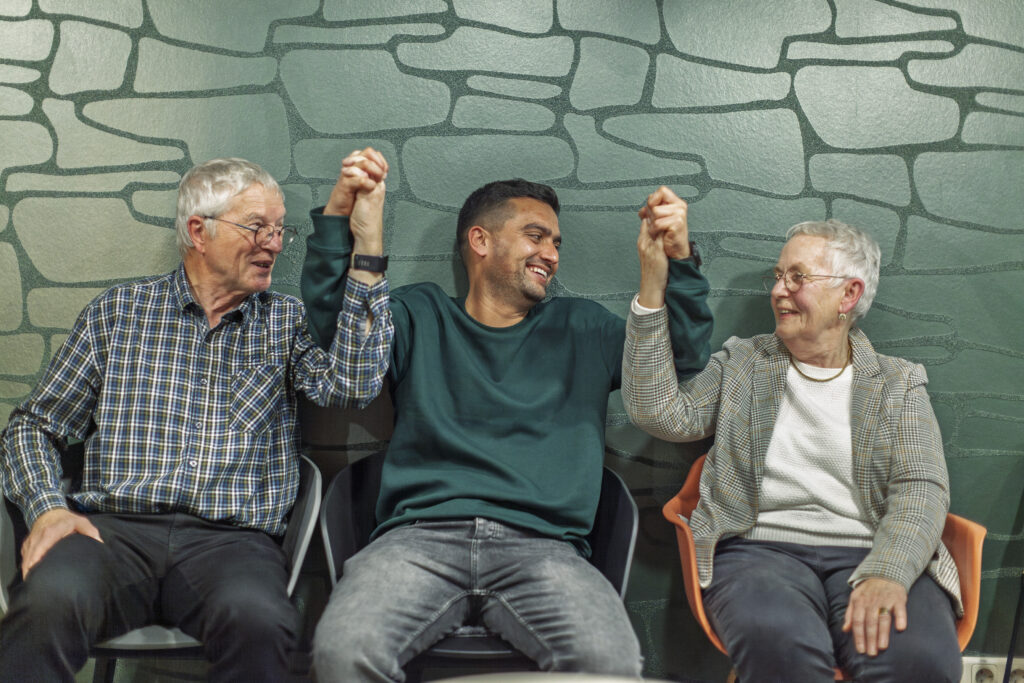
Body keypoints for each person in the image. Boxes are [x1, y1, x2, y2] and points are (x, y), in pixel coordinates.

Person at [300, 148, 714, 681]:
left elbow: (679, 357)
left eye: (556, 243)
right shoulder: (419, 315)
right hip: (418, 540)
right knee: (341, 652)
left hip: (546, 549)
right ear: (481, 241)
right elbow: (338, 333)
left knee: (609, 663)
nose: (552, 254)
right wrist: (340, 220)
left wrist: (679, 259)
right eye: (536, 236)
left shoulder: (583, 328)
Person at [0, 157, 393, 682]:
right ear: (197, 231)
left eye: (280, 230)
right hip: (112, 533)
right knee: (45, 603)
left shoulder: (284, 321)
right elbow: (33, 426)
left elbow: (355, 386)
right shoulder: (118, 313)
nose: (275, 244)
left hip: (231, 544)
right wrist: (47, 509)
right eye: (257, 228)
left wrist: (366, 250)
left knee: (261, 622)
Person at [622, 218, 962, 682]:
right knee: (779, 643)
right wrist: (652, 287)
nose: (779, 291)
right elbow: (659, 413)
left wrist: (889, 571)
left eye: (797, 277)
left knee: (918, 659)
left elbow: (921, 487)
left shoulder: (897, 383)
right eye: (779, 276)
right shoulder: (744, 362)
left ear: (849, 295)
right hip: (759, 552)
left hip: (872, 548)